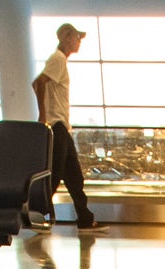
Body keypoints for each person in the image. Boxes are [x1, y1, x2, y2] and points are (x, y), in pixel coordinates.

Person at [31, 22, 101, 231]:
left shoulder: (60, 60)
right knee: (55, 174)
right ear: (67, 38)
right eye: (77, 37)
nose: (79, 41)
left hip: (62, 125)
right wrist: (44, 116)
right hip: (57, 125)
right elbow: (39, 82)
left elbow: (39, 83)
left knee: (73, 176)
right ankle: (35, 212)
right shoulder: (58, 59)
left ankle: (85, 219)